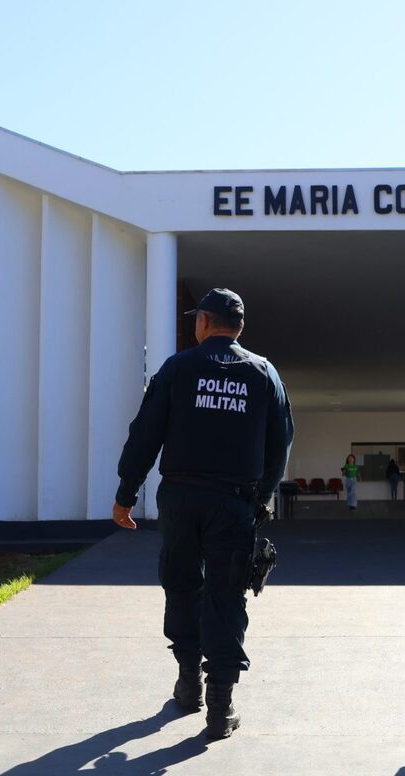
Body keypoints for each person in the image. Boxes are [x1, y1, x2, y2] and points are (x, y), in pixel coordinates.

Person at [112, 288, 295, 740]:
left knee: (181, 584)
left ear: (204, 323)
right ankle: (221, 705)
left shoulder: (178, 368)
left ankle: (189, 681)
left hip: (180, 498)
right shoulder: (264, 373)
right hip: (233, 502)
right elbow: (280, 446)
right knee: (226, 594)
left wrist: (127, 492)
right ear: (240, 327)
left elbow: (145, 433)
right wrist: (261, 500)